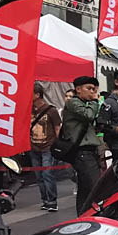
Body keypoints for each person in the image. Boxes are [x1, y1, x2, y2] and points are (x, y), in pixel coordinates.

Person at [60, 76, 104, 215]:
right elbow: (88, 115)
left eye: (94, 89)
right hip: (82, 151)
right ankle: (94, 214)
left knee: (85, 188)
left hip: (89, 150)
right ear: (78, 89)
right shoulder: (73, 103)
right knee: (94, 186)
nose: (92, 92)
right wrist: (95, 101)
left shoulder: (85, 103)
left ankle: (83, 215)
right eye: (89, 88)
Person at [29, 83, 63, 212]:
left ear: (37, 95)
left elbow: (57, 127)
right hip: (34, 147)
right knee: (39, 175)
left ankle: (52, 201)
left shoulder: (51, 110)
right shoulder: (29, 110)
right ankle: (45, 200)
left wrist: (58, 145)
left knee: (47, 174)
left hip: (48, 147)